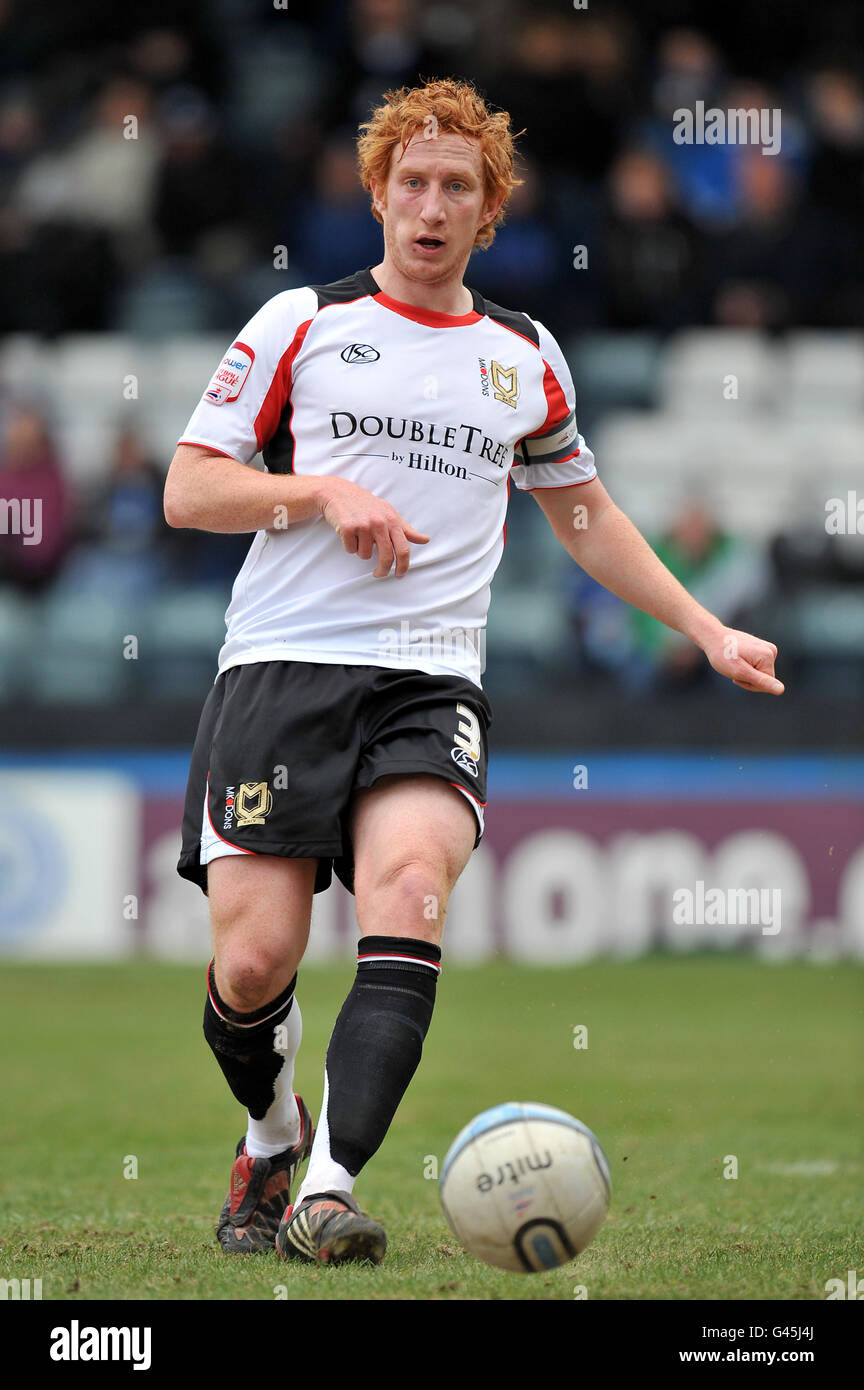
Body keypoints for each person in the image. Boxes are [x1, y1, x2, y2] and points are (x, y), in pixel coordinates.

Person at [163, 77, 783, 1268]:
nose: (432, 205)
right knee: (252, 964)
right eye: (413, 183)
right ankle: (271, 1131)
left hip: (429, 680)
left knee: (405, 896)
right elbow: (191, 489)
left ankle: (327, 1191)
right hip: (285, 667)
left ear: (490, 212)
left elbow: (587, 516)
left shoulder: (524, 356)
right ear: (380, 196)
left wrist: (706, 629)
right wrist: (319, 491)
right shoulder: (299, 322)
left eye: (459, 187)